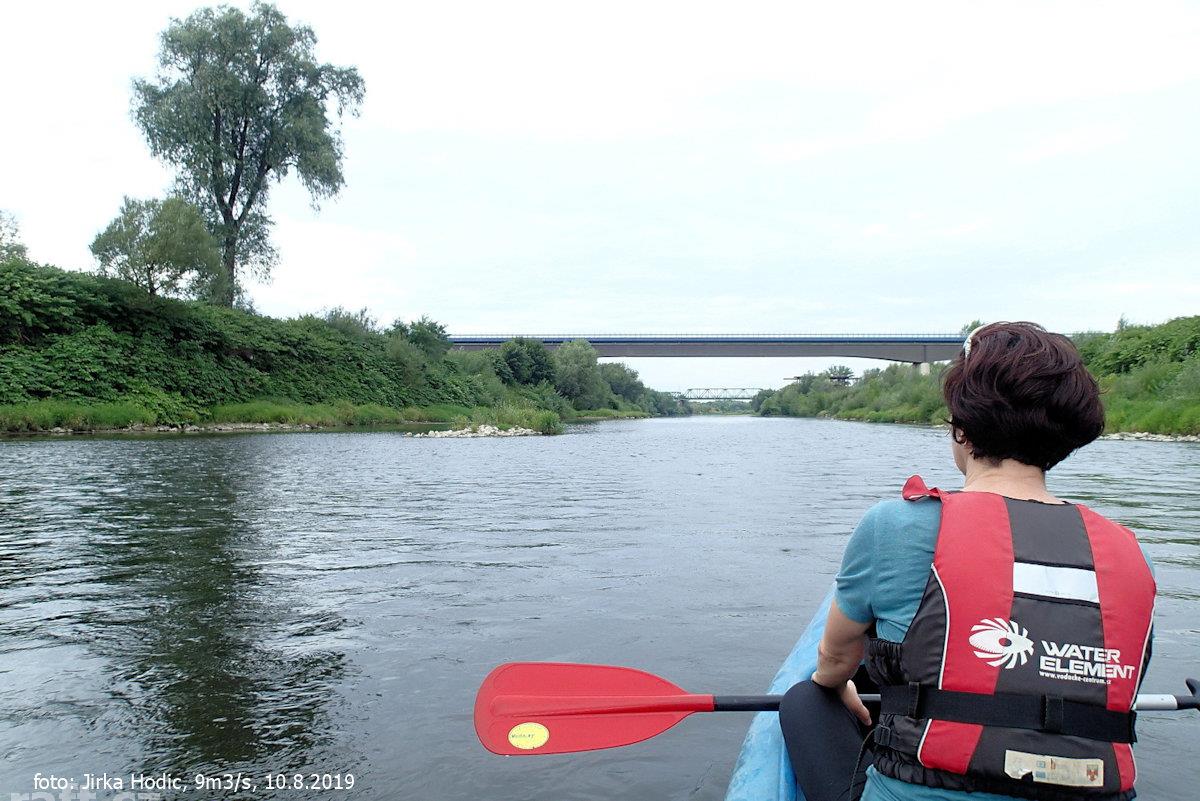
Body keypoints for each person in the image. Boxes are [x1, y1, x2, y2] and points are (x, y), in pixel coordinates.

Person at [784, 322, 1156, 801]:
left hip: (923, 787)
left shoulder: (895, 526)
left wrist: (835, 686)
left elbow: (835, 659)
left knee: (806, 698)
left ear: (961, 429)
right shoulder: (1131, 551)